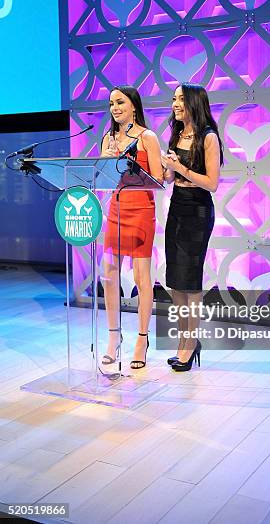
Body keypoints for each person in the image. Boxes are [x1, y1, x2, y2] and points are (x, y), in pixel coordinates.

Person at [162, 83, 223, 372]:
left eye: (181, 99)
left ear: (194, 103)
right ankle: (184, 339)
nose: (175, 104)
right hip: (176, 206)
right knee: (174, 279)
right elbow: (169, 178)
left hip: (198, 211)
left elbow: (211, 183)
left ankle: (191, 343)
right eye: (174, 99)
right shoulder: (176, 134)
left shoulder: (208, 137)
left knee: (191, 280)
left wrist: (182, 168)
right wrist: (167, 167)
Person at [101, 86, 163, 369]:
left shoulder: (147, 137)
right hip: (116, 208)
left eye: (120, 102)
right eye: (112, 103)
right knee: (108, 276)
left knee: (141, 277)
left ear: (134, 106)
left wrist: (131, 166)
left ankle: (141, 339)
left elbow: (159, 180)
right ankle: (114, 338)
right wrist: (110, 160)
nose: (115, 108)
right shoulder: (109, 138)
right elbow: (102, 177)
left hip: (140, 210)